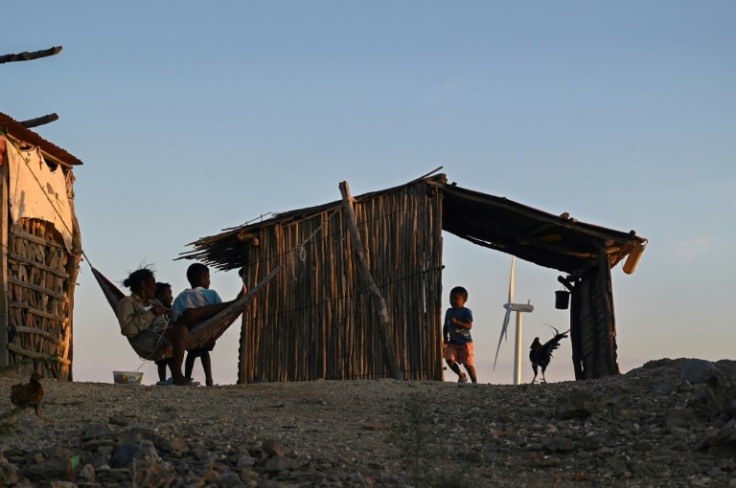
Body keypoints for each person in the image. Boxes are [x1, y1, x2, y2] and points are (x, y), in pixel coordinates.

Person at [116, 267, 235, 386]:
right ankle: (177, 377)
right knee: (181, 330)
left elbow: (168, 317)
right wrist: (152, 313)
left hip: (165, 333)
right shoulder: (127, 302)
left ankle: (231, 304)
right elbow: (128, 330)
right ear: (143, 284)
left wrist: (167, 312)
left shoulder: (154, 302)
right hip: (149, 339)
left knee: (190, 313)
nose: (156, 287)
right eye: (153, 284)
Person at [172, 263, 221, 386]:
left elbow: (175, 317)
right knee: (205, 352)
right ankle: (209, 380)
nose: (210, 281)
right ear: (203, 278)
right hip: (206, 333)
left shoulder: (182, 297)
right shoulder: (212, 294)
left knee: (191, 354)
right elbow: (221, 311)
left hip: (189, 335)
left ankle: (187, 377)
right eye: (209, 278)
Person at [443, 286, 477, 384]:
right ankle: (461, 376)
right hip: (453, 342)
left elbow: (469, 325)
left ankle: (475, 382)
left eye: (456, 299)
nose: (452, 301)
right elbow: (445, 326)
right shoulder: (449, 311)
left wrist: (457, 322)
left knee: (468, 364)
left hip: (465, 342)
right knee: (449, 360)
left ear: (464, 300)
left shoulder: (466, 311)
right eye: (451, 298)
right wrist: (445, 338)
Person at [153, 282, 175, 383]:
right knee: (162, 362)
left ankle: (173, 378)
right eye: (169, 294)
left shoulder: (168, 310)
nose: (172, 297)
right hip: (157, 340)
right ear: (161, 296)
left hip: (168, 341)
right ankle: (163, 381)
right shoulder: (156, 309)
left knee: (170, 360)